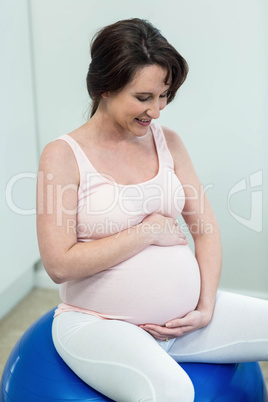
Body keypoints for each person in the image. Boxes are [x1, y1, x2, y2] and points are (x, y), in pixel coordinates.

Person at [36, 18, 268, 402]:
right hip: (99, 325)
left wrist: (205, 306)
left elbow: (206, 229)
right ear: (106, 87)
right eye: (144, 98)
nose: (156, 111)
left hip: (185, 323)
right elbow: (58, 263)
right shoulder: (63, 156)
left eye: (164, 96)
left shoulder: (169, 142)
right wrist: (148, 231)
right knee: (172, 391)